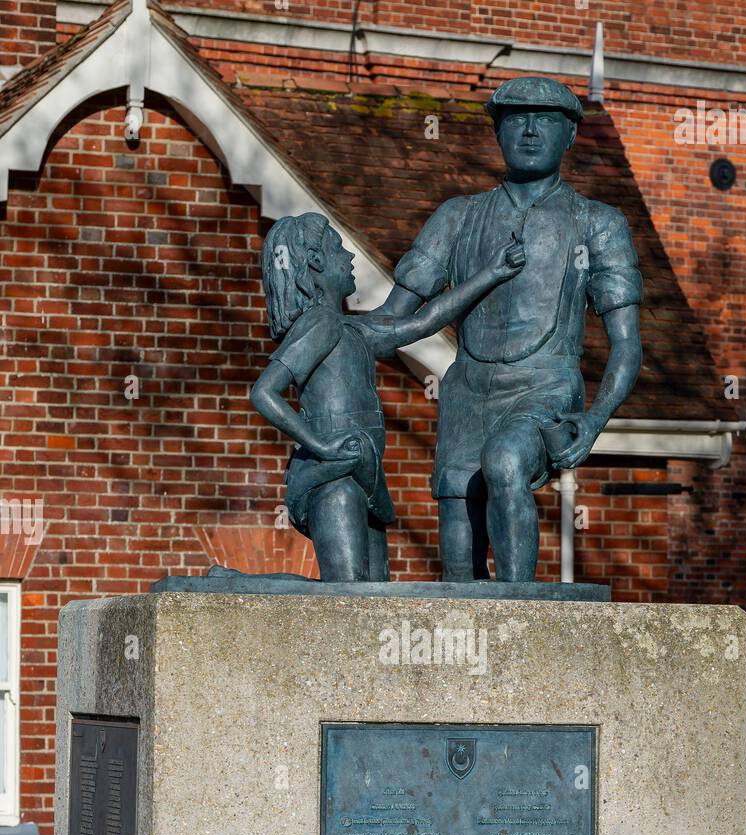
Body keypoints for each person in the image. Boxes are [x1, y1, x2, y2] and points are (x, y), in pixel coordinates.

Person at [373, 75, 644, 582]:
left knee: (504, 461)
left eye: (546, 121)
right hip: (468, 387)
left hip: (546, 385)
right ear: (498, 133)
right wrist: (326, 329)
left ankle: (522, 616)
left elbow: (626, 344)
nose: (530, 131)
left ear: (569, 136)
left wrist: (595, 417)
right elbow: (392, 318)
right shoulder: (457, 217)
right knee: (456, 500)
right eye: (517, 120)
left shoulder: (598, 223)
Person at [251, 211, 526, 581]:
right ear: (316, 262)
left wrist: (492, 274)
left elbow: (423, 322)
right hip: (332, 478)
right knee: (347, 598)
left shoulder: (353, 328)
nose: (350, 259)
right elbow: (264, 392)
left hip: (366, 474)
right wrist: (320, 445)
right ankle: (233, 583)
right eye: (338, 249)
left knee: (374, 598)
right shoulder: (320, 324)